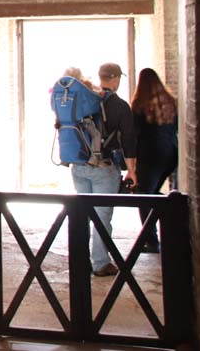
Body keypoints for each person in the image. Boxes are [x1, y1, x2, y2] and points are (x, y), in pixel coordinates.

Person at [70, 62, 138, 277]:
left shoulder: (86, 99)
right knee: (102, 217)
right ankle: (100, 264)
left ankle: (79, 262)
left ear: (100, 77)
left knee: (81, 215)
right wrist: (132, 171)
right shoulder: (120, 106)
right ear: (116, 78)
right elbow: (129, 140)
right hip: (104, 168)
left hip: (78, 166)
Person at [130, 68, 178, 253]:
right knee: (153, 194)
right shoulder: (170, 102)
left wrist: (131, 164)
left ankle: (151, 240)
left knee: (143, 196)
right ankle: (170, 220)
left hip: (149, 156)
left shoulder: (139, 106)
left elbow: (135, 135)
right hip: (169, 154)